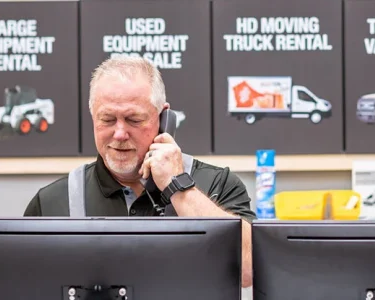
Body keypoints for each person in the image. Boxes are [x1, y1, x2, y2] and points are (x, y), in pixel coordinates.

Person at [23, 55, 256, 288]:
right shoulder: (52, 202)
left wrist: (179, 187)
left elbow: (249, 271)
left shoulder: (218, 184)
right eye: (107, 119)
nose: (120, 134)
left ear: (163, 118)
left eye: (134, 120)